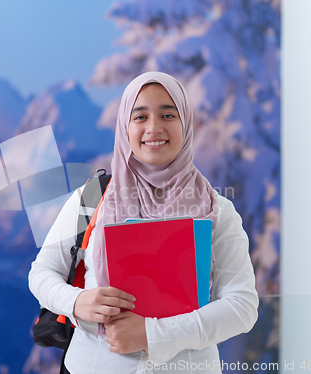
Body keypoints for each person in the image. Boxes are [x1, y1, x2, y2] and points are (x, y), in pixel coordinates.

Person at [28, 71, 258, 373]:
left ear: (186, 124)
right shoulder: (93, 197)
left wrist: (153, 335)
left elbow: (241, 306)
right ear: (125, 126)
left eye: (167, 114)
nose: (154, 128)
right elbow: (42, 272)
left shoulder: (216, 210)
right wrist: (76, 301)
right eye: (140, 117)